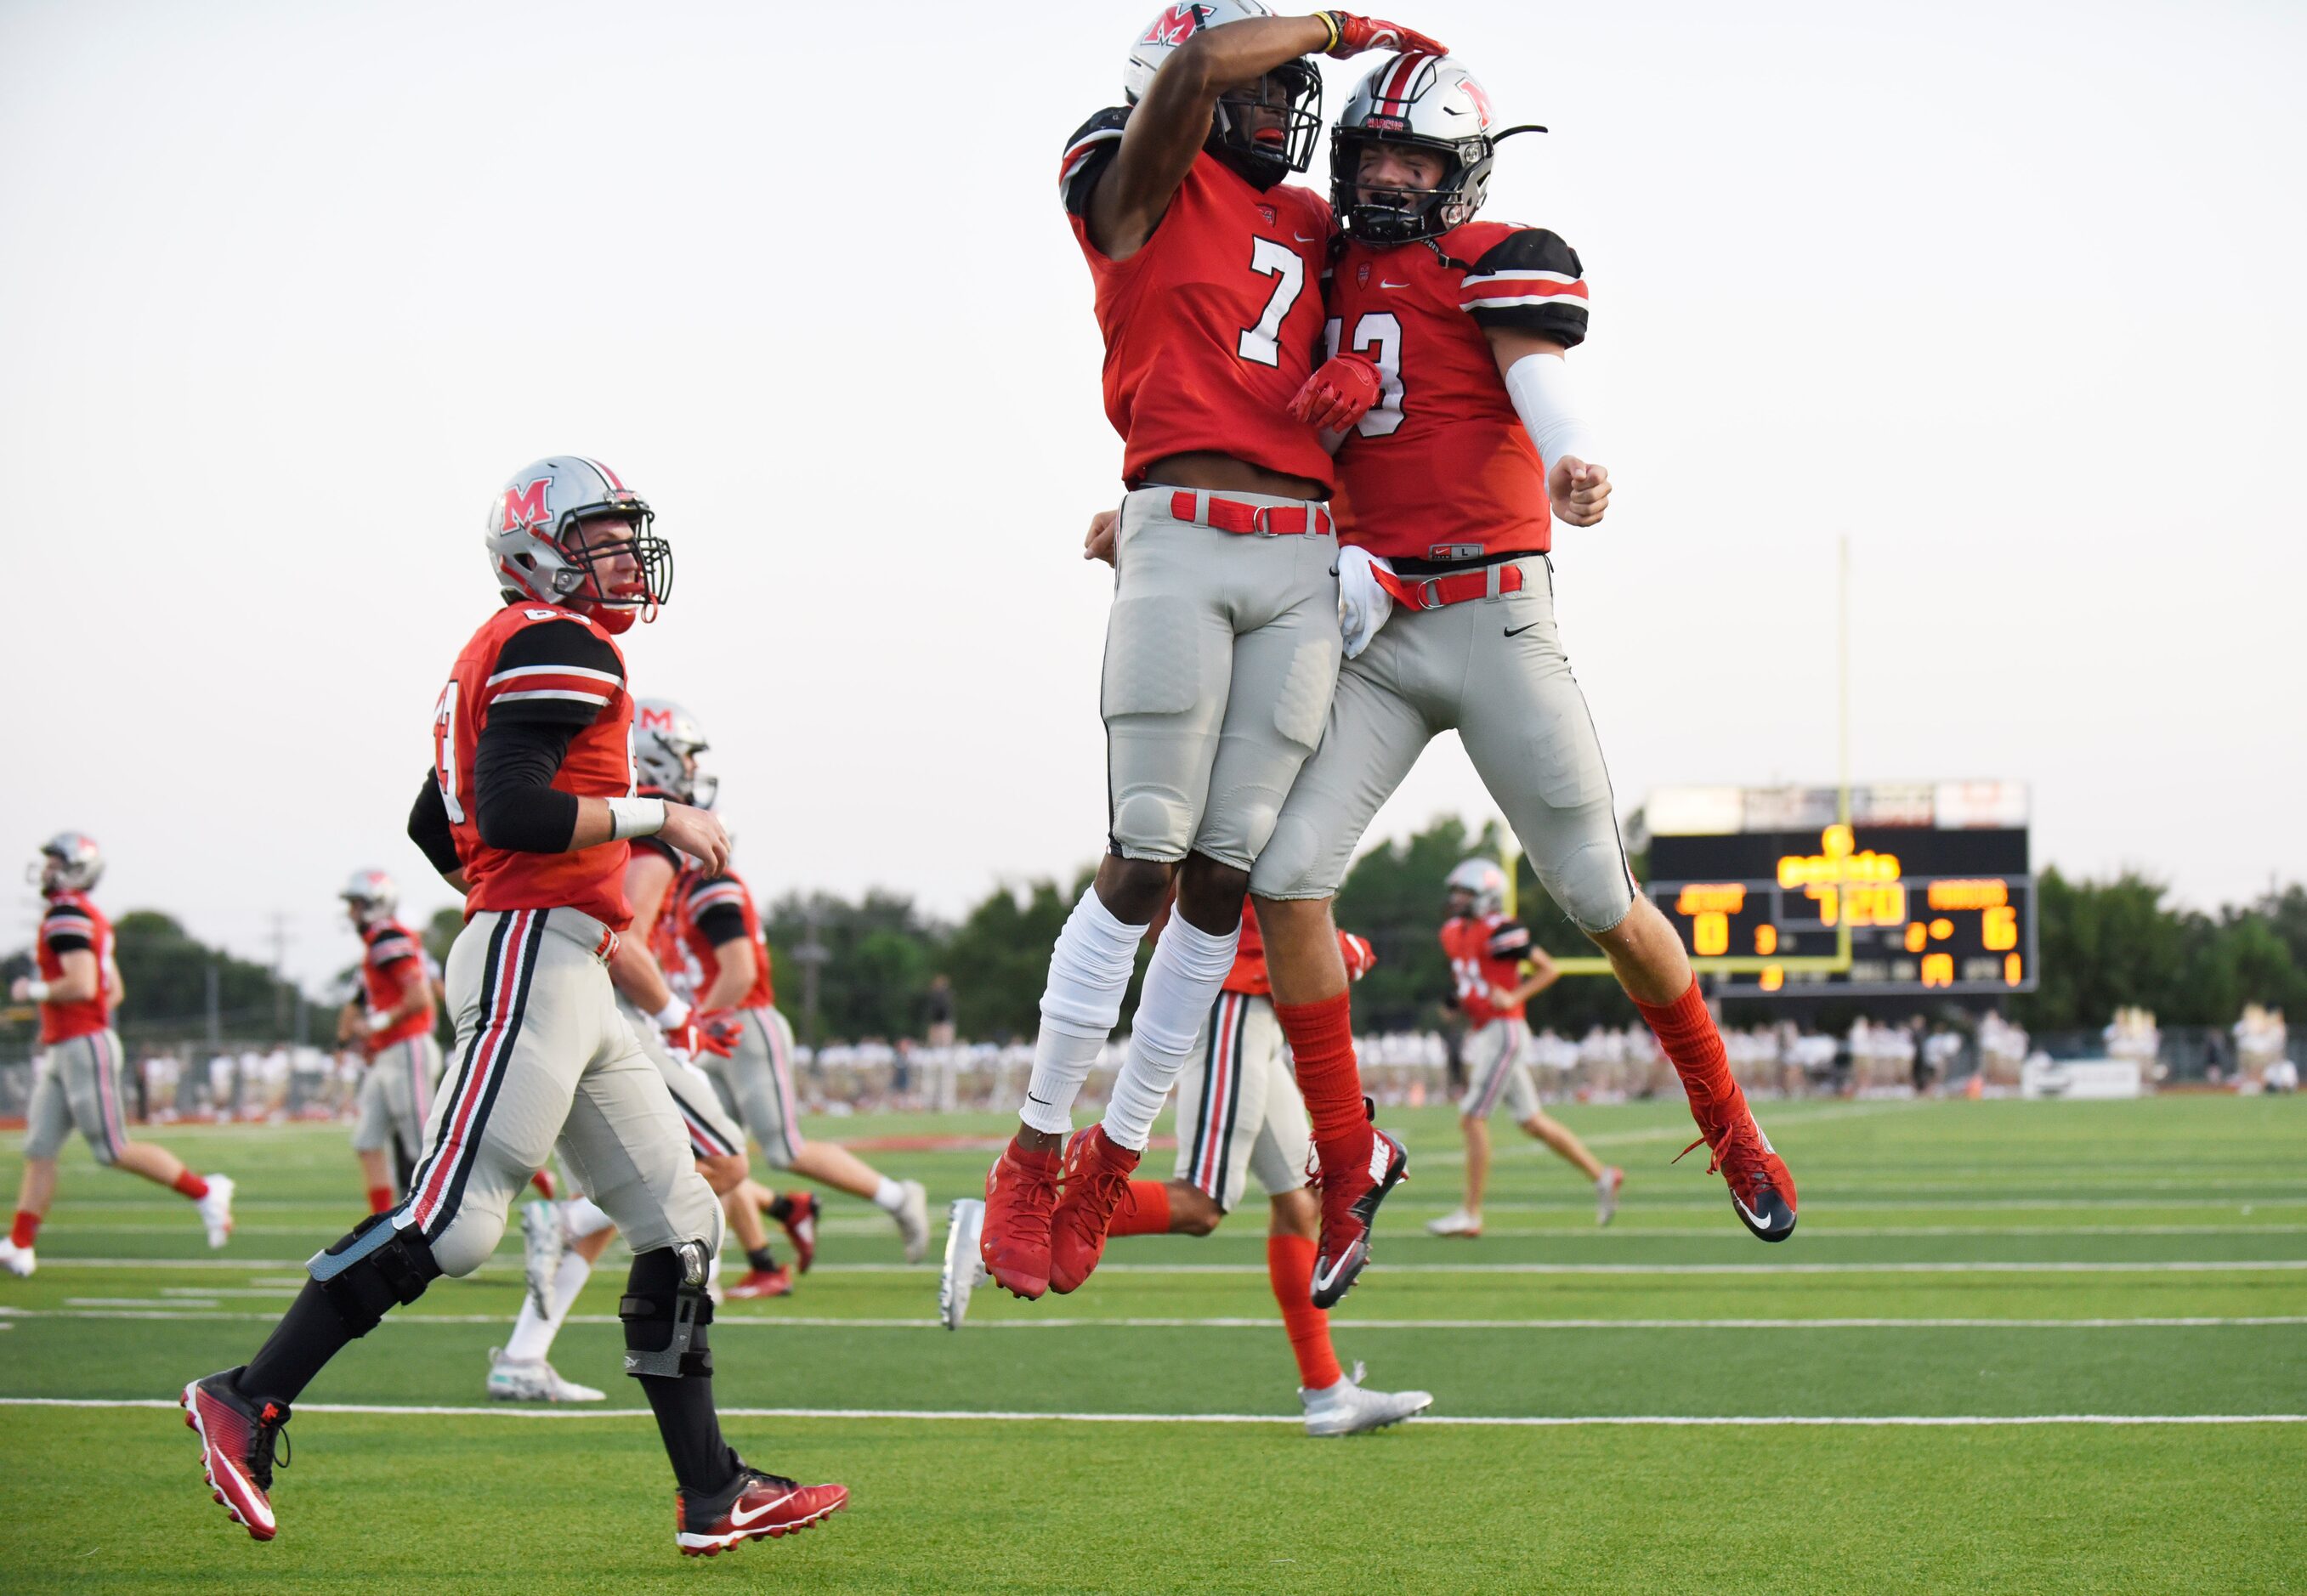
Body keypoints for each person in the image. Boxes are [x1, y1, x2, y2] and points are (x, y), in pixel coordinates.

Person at [179, 456, 843, 1554]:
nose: (625, 556)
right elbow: (509, 807)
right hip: (536, 957)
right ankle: (245, 1394)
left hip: (562, 952)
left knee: (679, 1229)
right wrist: (652, 820)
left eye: (628, 535)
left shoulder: (520, 646)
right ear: (538, 548)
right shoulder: (557, 639)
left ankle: (714, 1488)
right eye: (600, 536)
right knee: (453, 1224)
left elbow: (434, 823)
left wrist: (537, 896)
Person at [1233, 50, 1794, 1242]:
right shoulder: (1315, 268)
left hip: (1492, 616)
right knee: (1282, 877)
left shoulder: (1488, 264)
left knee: (1600, 894)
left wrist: (1568, 464)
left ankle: (1731, 1122)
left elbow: (1534, 378)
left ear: (1459, 172)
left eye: (1411, 156)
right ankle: (1349, 1161)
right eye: (1370, 152)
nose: (1384, 175)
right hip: (1375, 626)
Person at [981, 1, 1446, 1310]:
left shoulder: (1309, 220)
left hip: (1296, 551)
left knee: (1222, 875)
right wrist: (1325, 23)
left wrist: (1354, 394)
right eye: (1268, 80)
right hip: (1179, 530)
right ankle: (1028, 1148)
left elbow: (1391, 328)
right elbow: (1192, 69)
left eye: (1292, 82)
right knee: (1142, 855)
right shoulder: (1130, 165)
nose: (1281, 103)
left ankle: (1106, 1153)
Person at [945, 896, 1430, 1436]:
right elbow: (1253, 901)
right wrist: (1329, 949)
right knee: (1201, 1201)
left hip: (1257, 1007)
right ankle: (1008, 1224)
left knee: (1300, 1202)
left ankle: (1326, 1391)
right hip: (1236, 1000)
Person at [642, 703, 930, 1298]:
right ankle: (731, 1269)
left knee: (783, 1148)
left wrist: (688, 1025)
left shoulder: (710, 884)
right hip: (713, 1028)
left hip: (741, 1025)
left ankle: (899, 1197)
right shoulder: (671, 890)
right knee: (715, 1151)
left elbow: (739, 969)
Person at [3, 833, 235, 1279]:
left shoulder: (66, 913)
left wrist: (32, 991)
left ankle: (206, 1190)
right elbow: (114, 990)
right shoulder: (86, 915)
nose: (47, 869)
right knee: (39, 1146)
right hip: (69, 1041)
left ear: (75, 868)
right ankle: (20, 1244)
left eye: (55, 862)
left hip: (82, 1042)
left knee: (111, 1148)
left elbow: (86, 986)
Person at [1423, 861, 1621, 1238]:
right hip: (1486, 1030)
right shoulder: (1453, 932)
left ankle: (1471, 1213)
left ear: (1485, 895)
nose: (1456, 899)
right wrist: (1456, 1003)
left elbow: (1548, 969)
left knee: (1471, 1118)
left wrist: (1514, 995)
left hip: (1504, 1030)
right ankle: (1603, 1176)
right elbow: (1469, 977)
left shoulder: (1502, 930)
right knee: (1531, 1121)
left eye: (1465, 892)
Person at [335, 870, 442, 1214]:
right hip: (389, 1051)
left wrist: (375, 1024)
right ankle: (380, 1222)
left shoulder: (387, 937)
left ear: (375, 903)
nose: (351, 912)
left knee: (423, 1144)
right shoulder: (376, 942)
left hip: (408, 1046)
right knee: (367, 1140)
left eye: (356, 904)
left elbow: (419, 998)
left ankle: (442, 1215)